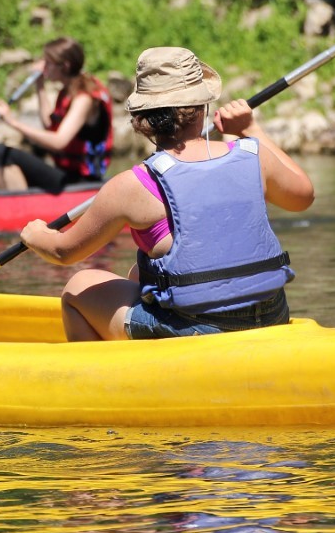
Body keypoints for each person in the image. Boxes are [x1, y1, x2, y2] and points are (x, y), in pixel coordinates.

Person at [19, 46, 315, 342]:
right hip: (271, 313)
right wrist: (252, 129)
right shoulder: (254, 155)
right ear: (203, 108)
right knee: (139, 273)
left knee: (78, 286)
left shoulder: (131, 185)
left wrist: (35, 235)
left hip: (197, 327)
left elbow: (63, 251)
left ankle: (109, 384)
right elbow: (303, 196)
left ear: (141, 117)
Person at [0, 37, 113, 192]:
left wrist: (13, 122)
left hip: (82, 181)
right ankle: (6, 206)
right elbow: (49, 125)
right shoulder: (66, 92)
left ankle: (13, 210)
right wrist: (40, 86)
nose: (43, 67)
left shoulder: (84, 98)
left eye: (48, 63)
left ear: (65, 66)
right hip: (65, 175)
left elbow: (59, 142)